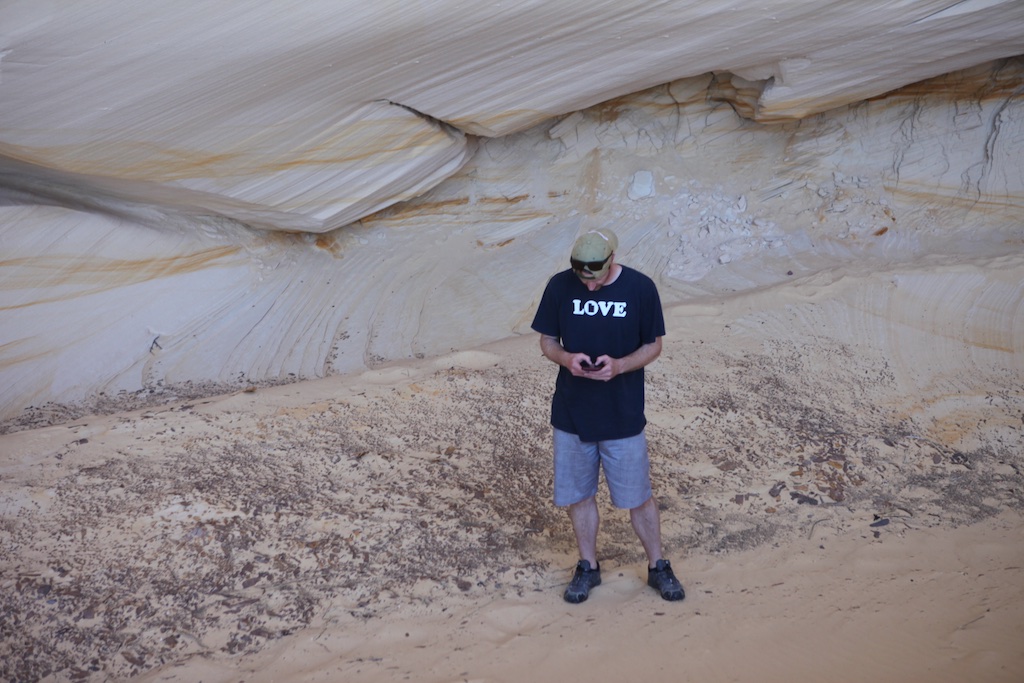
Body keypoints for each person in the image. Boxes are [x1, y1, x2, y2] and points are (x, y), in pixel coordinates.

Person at [531, 228, 685, 603]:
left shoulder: (640, 289)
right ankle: (588, 566)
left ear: (612, 259)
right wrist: (566, 359)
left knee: (638, 497)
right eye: (583, 278)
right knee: (579, 496)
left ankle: (658, 566)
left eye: (596, 278)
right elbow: (547, 341)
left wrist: (619, 366)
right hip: (571, 414)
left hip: (623, 414)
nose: (589, 286)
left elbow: (653, 345)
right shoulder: (559, 286)